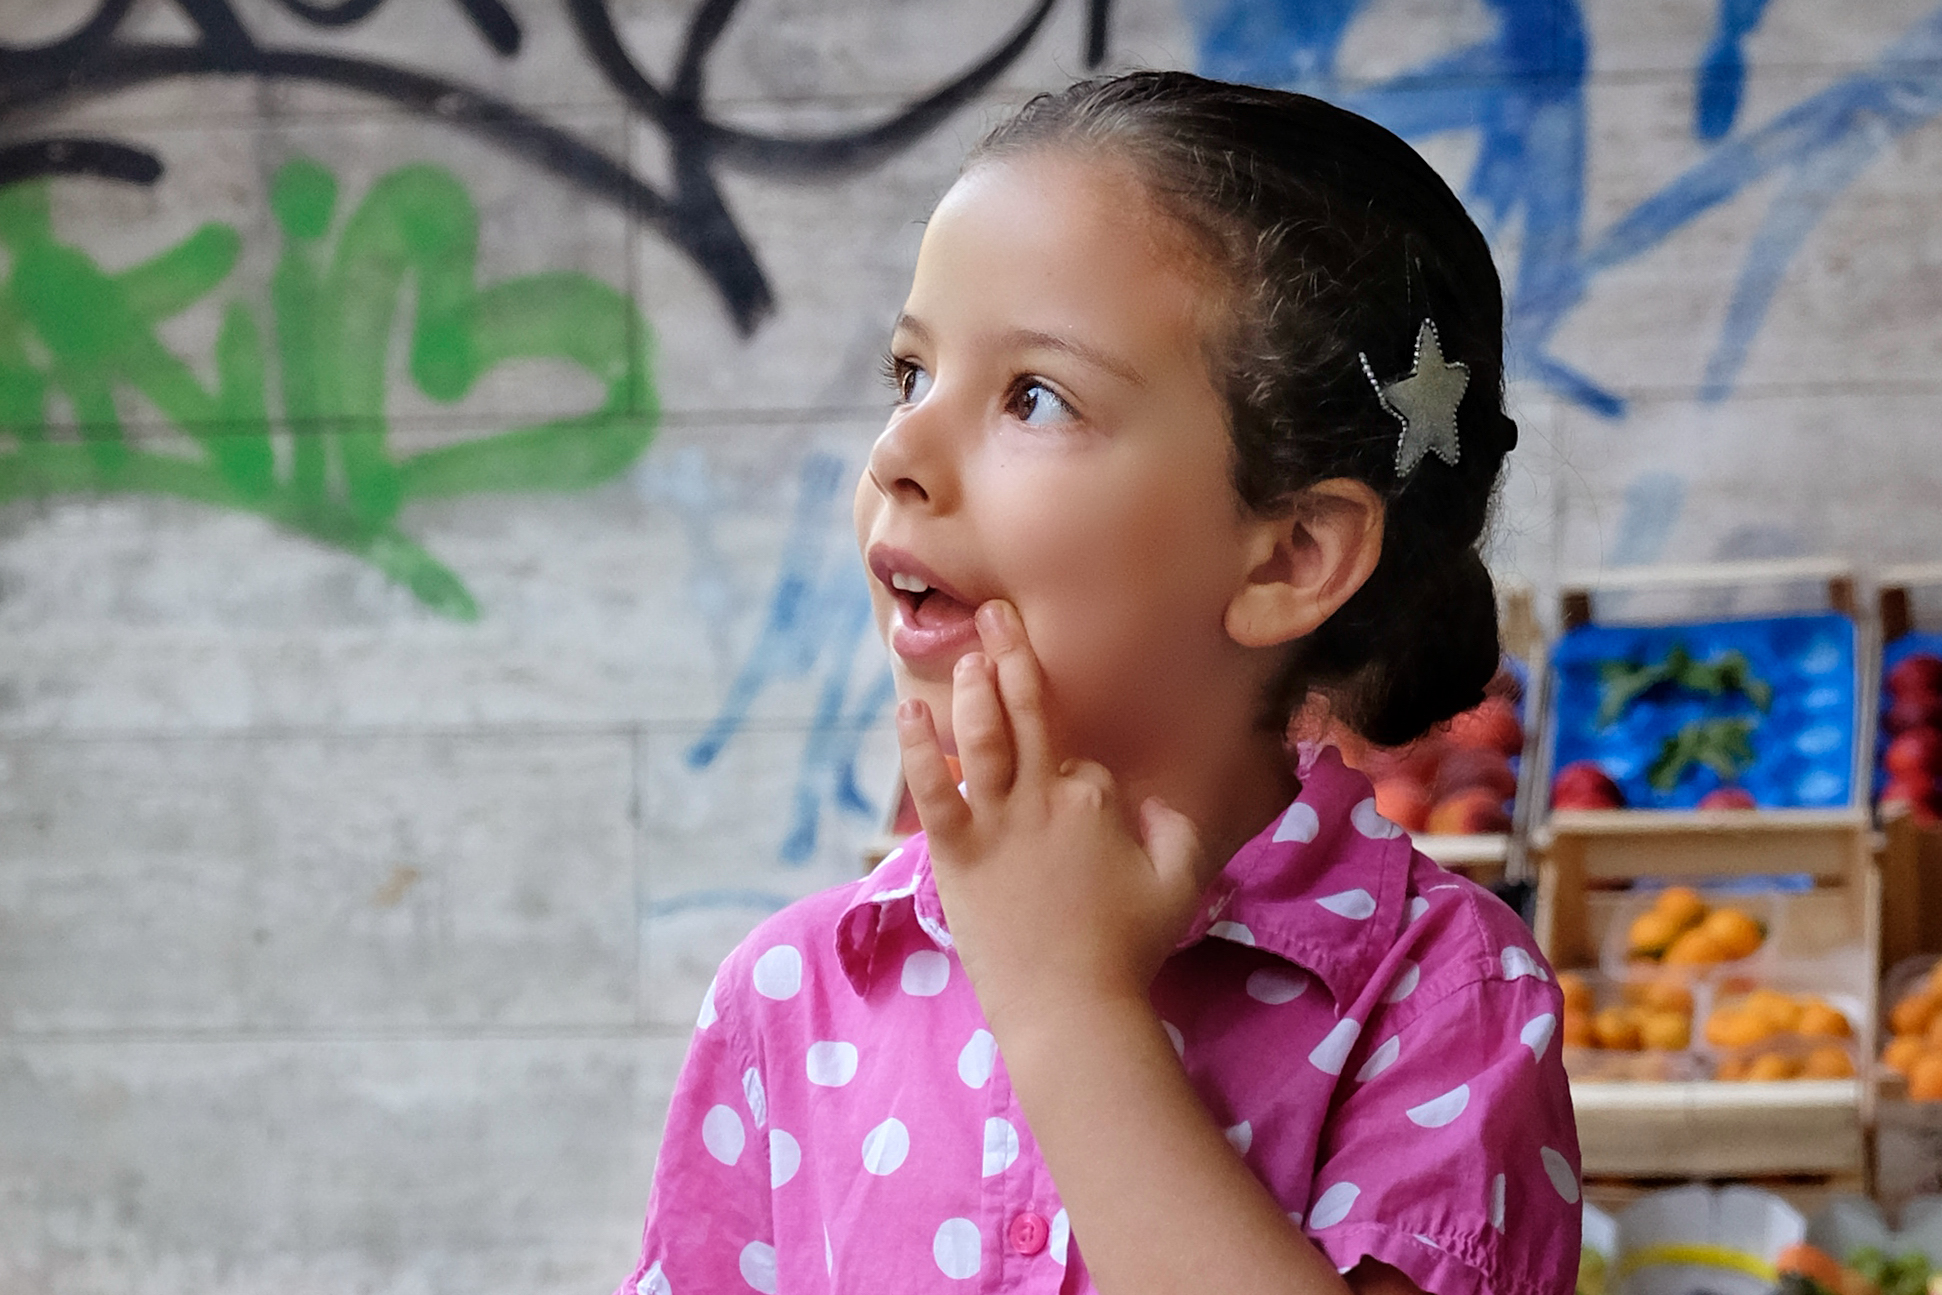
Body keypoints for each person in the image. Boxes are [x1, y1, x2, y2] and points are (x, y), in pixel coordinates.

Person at [619, 70, 1579, 1295]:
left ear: (1289, 555)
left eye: (1035, 395)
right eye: (909, 374)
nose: (898, 454)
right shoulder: (791, 991)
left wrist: (1069, 1005)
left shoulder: (1442, 993)